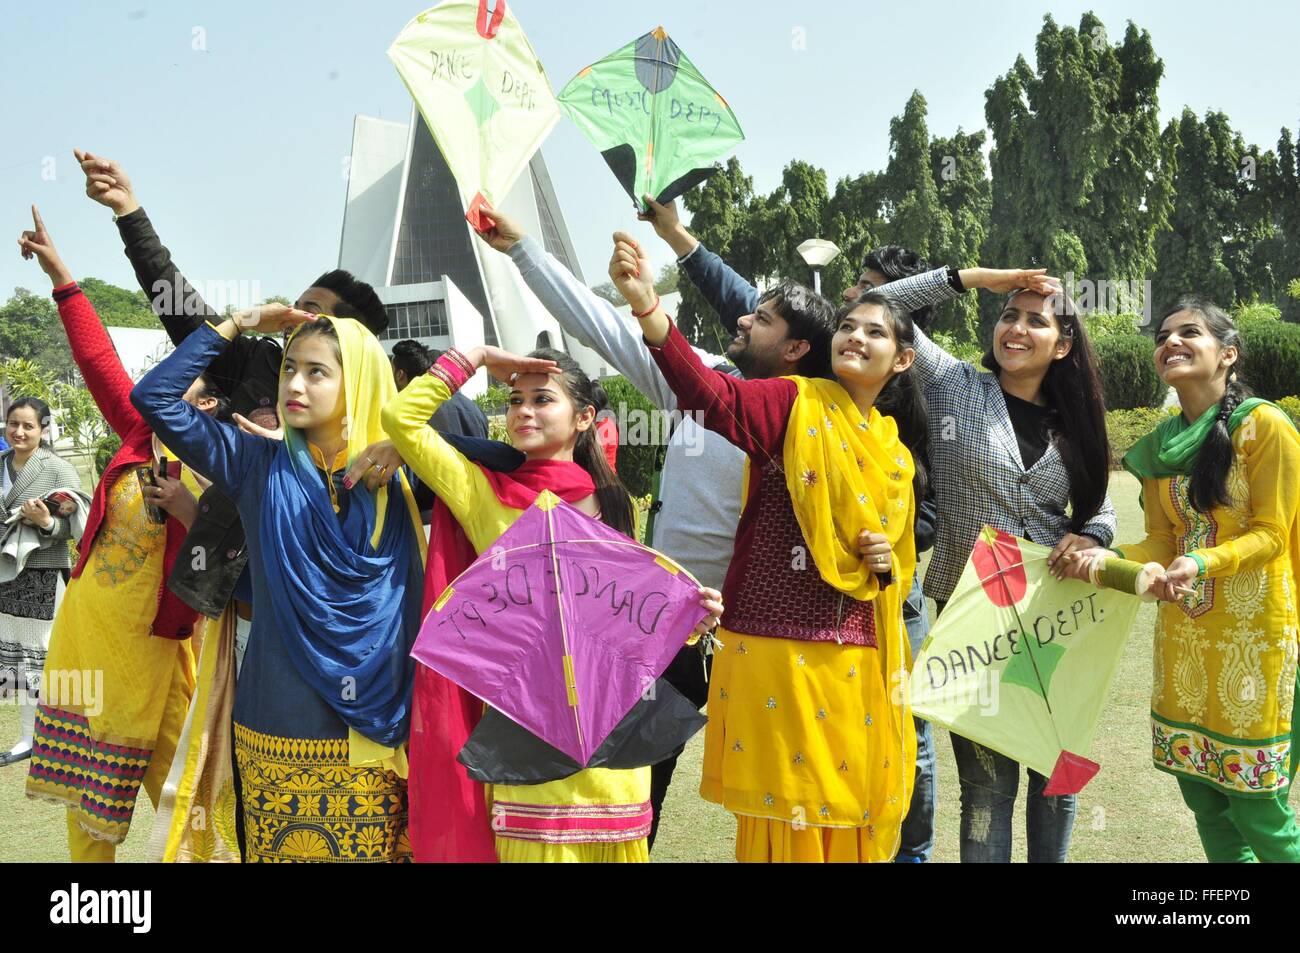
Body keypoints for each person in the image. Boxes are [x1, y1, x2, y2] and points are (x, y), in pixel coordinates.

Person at [474, 201, 844, 847]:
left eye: (760, 319)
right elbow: (602, 325)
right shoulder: (700, 382)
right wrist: (522, 248)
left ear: (795, 349)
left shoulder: (813, 423)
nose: (742, 318)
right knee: (637, 777)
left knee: (782, 790)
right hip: (662, 624)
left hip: (754, 632)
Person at [611, 227, 921, 862]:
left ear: (904, 359)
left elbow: (896, 557)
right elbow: (712, 396)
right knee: (785, 827)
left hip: (857, 656)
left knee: (846, 817)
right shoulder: (794, 402)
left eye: (876, 332)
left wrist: (888, 561)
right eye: (849, 327)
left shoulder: (891, 449)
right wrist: (649, 307)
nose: (857, 338)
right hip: (775, 647)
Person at [382, 343, 723, 862]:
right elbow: (401, 419)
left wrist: (694, 615)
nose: (523, 410)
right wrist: (472, 358)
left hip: (613, 742)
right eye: (515, 399)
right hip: (527, 736)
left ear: (585, 417)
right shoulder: (483, 496)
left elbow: (626, 625)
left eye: (542, 400)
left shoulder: (614, 504)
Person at [133, 301, 427, 863]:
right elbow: (154, 398)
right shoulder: (254, 464)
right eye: (289, 367)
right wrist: (235, 325)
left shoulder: (403, 475)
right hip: (277, 722)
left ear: (359, 380)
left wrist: (406, 440)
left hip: (378, 726)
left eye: (317, 371)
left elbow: (507, 463)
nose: (294, 383)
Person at [1067, 299, 1300, 862]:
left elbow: (1273, 532)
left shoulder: (1264, 427)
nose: (1170, 342)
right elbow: (1162, 542)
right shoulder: (1159, 446)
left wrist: (1202, 562)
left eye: (1189, 333)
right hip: (1185, 638)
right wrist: (1101, 553)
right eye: (1164, 335)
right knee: (1203, 796)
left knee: (1257, 803)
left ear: (1229, 354)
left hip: (1256, 638)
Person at [18, 207, 209, 860]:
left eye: (201, 391)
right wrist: (63, 275)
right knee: (89, 806)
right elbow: (98, 357)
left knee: (188, 792)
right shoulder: (138, 432)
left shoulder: (228, 460)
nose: (188, 398)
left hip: (164, 645)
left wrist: (187, 505)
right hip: (91, 636)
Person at [0, 398, 86, 767]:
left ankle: (77, 734)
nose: (19, 432)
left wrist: (46, 523)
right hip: (5, 573)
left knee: (54, 657)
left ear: (44, 428)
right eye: (12, 424)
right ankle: (26, 737)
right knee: (15, 660)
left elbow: (80, 524)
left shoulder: (59, 469)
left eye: (28, 426)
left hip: (44, 572)